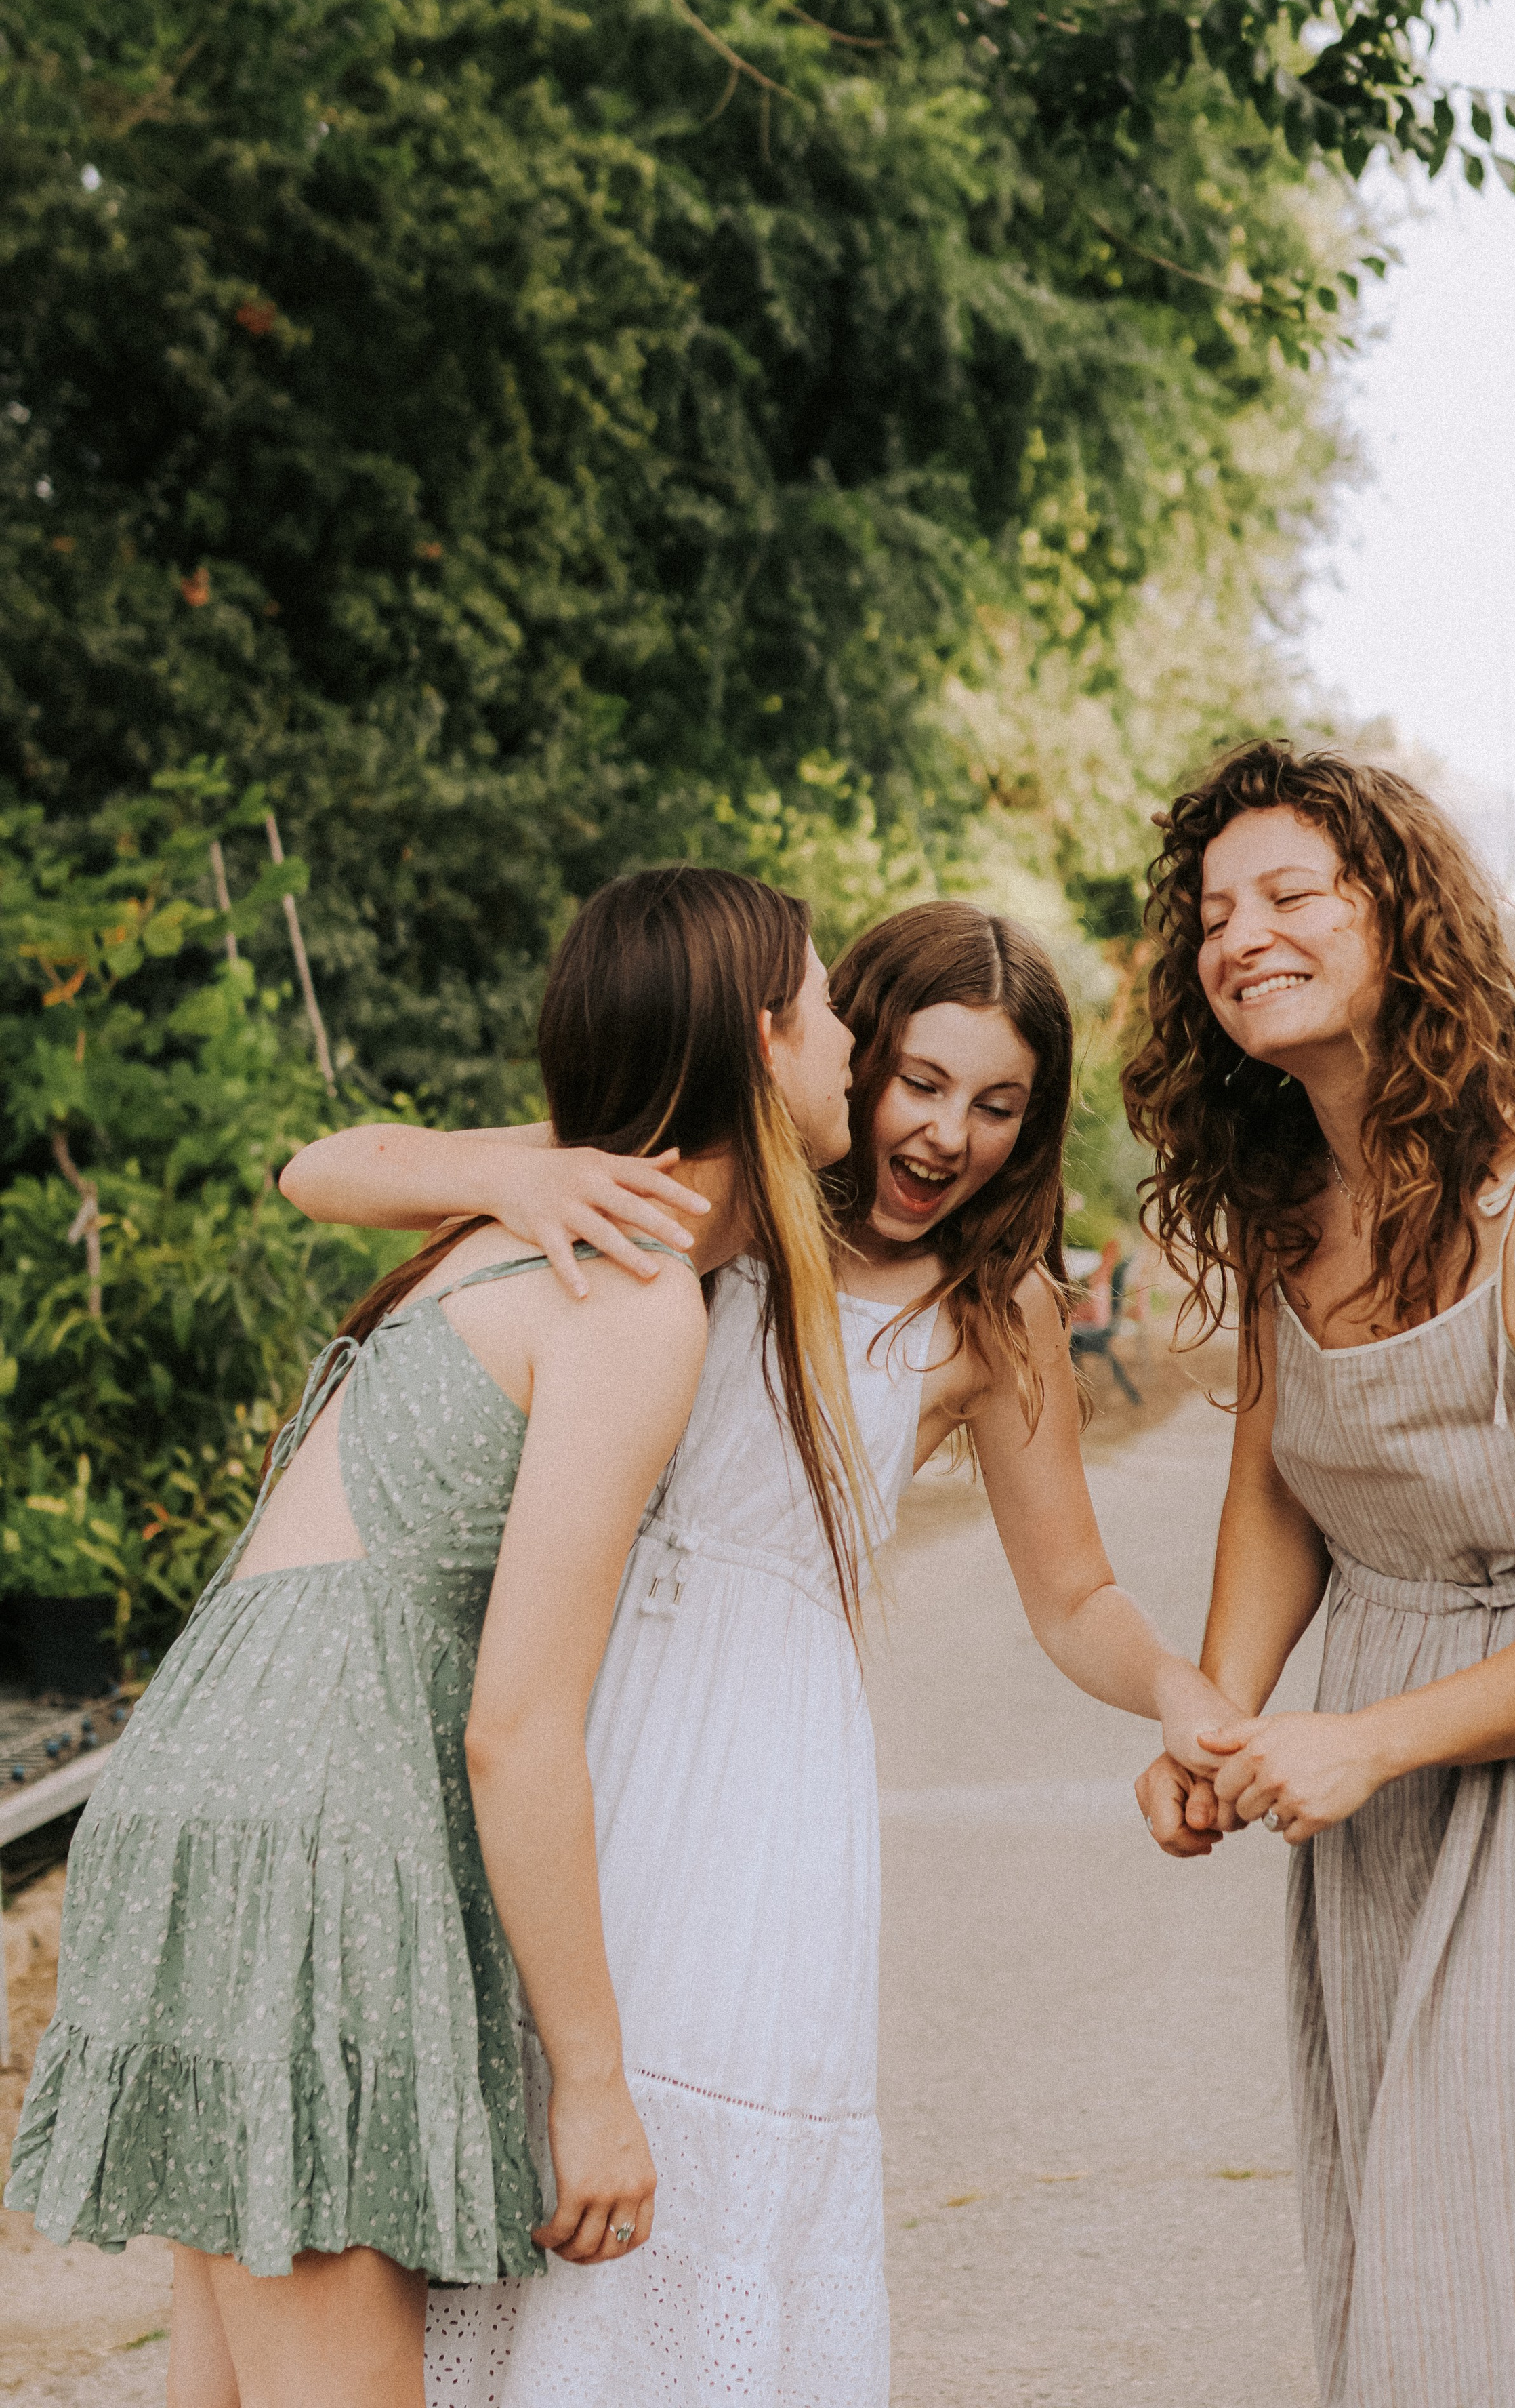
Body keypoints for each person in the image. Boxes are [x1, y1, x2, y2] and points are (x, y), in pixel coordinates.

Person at [289, 894, 1235, 2407]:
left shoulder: (994, 1317)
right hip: (564, 1730)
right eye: (920, 1082)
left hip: (759, 1802)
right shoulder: (694, 1198)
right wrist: (517, 1176)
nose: (949, 1136)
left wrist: (1178, 1688)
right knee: (518, 2156)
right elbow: (323, 1168)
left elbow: (1073, 1599)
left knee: (685, 2206)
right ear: (839, 1050)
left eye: (998, 1106)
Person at [5, 865, 858, 2408]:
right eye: (828, 1003)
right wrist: (592, 2086)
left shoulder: (550, 1218)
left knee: (232, 2383)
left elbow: (329, 1164)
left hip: (217, 1779)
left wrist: (525, 1171)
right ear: (760, 1040)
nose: (854, 1034)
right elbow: (513, 1725)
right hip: (326, 1817)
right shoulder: (629, 1283)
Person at [1127, 741, 1515, 2408]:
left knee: (1507, 2281)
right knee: (1415, 2250)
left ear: (1397, 917)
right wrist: (1219, 1716)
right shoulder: (1284, 1220)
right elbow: (1275, 1493)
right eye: (1208, 913)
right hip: (1378, 1802)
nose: (1234, 933)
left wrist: (1369, 1740)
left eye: (1284, 894)